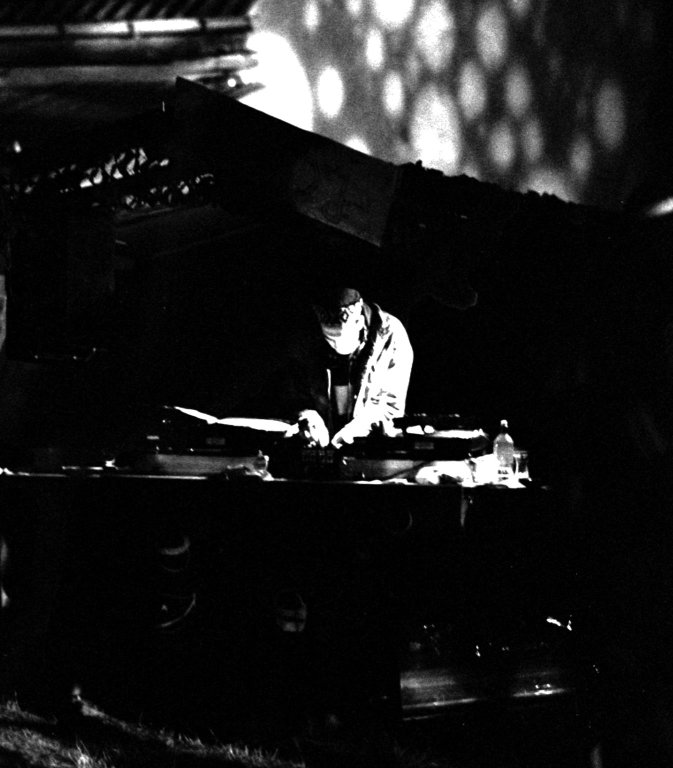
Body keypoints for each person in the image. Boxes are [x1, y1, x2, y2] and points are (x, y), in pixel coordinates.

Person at [282, 286, 414, 449]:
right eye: (330, 338)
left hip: (367, 447)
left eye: (344, 335)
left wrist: (361, 427)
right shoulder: (304, 338)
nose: (337, 345)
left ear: (359, 319)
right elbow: (292, 396)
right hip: (317, 447)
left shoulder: (389, 335)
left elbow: (391, 405)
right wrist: (307, 415)